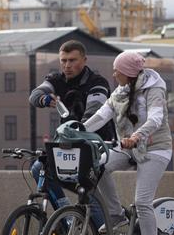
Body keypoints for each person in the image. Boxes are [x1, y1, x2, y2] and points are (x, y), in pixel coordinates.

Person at [83, 51, 173, 235]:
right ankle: (115, 215)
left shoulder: (154, 89)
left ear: (129, 73)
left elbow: (155, 118)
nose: (114, 74)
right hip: (129, 147)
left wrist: (137, 135)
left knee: (143, 202)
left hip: (155, 149)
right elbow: (101, 116)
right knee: (98, 166)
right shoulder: (120, 92)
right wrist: (78, 131)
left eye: (117, 70)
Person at [29, 40, 115, 209]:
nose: (67, 65)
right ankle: (64, 216)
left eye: (72, 60)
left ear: (84, 60)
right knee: (38, 169)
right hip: (69, 144)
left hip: (97, 145)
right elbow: (35, 94)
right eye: (63, 60)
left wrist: (78, 131)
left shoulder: (97, 82)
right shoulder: (56, 80)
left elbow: (94, 111)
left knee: (87, 194)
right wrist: (43, 99)